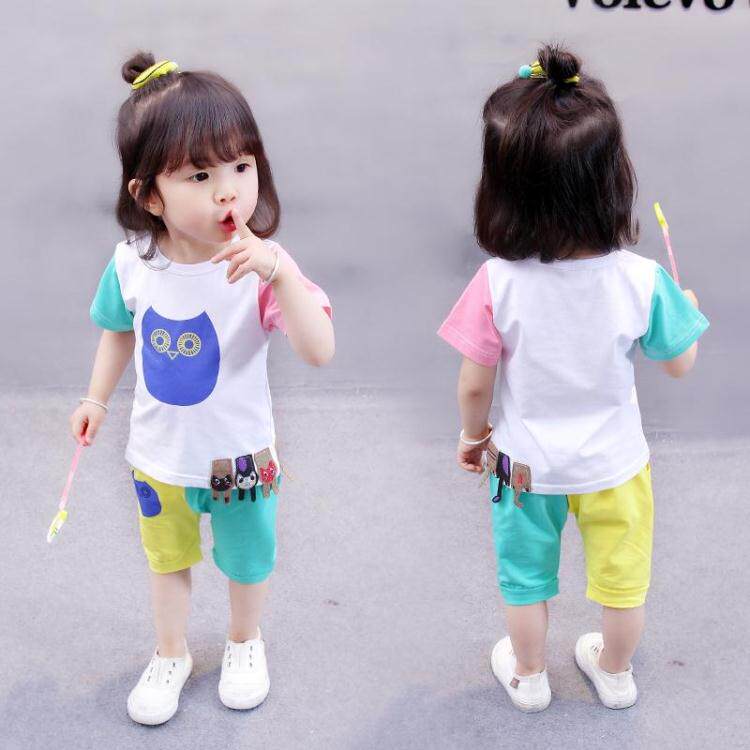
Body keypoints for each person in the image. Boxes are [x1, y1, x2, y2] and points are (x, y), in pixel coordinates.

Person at [438, 44, 708, 712]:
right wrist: (686, 307)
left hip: (524, 467)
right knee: (623, 583)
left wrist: (473, 436)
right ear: (611, 179)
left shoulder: (496, 282)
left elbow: (474, 384)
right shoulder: (641, 279)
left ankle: (529, 676)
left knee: (525, 580)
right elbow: (680, 363)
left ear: (503, 188)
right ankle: (615, 673)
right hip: (615, 465)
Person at [69, 52, 334, 725]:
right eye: (200, 175)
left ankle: (245, 642)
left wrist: (279, 274)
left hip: (239, 457)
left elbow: (319, 349)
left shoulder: (261, 266)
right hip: (160, 457)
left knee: (247, 561)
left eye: (241, 167)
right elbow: (118, 332)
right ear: (149, 195)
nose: (228, 193)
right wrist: (96, 399)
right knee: (168, 561)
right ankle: (171, 652)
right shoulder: (132, 264)